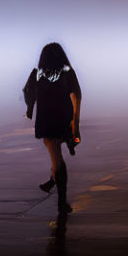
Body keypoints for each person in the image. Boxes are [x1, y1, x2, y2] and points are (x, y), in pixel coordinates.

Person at [23, 42, 81, 215]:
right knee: (56, 155)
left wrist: (29, 109)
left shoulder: (37, 74)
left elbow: (27, 91)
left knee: (56, 157)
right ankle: (52, 180)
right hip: (63, 118)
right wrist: (75, 125)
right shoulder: (67, 73)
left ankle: (61, 201)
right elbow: (77, 95)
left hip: (46, 120)